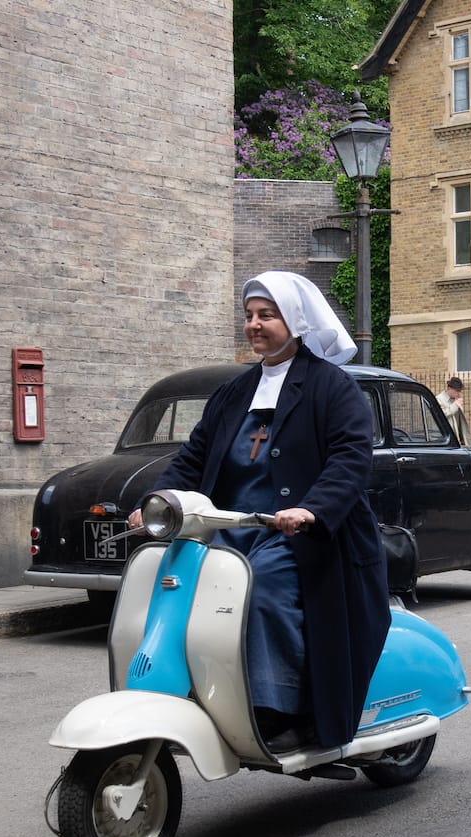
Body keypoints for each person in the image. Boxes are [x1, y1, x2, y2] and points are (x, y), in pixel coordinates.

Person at [130, 271, 390, 753]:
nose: (253, 324)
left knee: (262, 590)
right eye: (249, 315)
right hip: (231, 529)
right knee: (176, 584)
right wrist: (157, 500)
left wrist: (311, 509)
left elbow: (351, 458)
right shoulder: (234, 392)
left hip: (302, 537)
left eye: (266, 315)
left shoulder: (332, 388)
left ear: (294, 321)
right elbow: (193, 456)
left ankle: (280, 710)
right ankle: (192, 692)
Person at [436, 376, 471, 445]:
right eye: (456, 391)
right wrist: (455, 405)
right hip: (446, 440)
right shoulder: (439, 399)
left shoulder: (455, 399)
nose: (458, 393)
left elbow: (459, 421)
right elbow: (441, 415)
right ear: (449, 388)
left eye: (459, 391)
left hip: (457, 440)